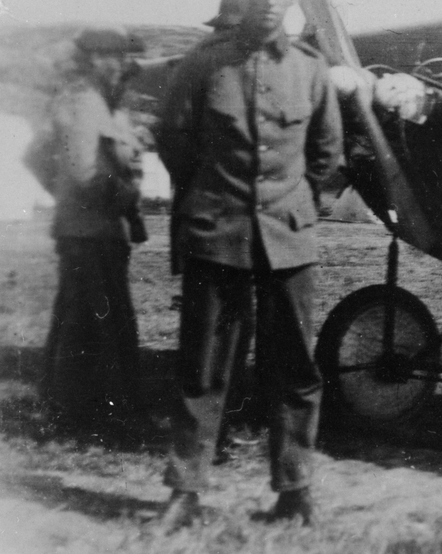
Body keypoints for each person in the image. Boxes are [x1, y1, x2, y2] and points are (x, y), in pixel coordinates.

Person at [154, 0, 342, 531]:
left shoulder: (310, 68)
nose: (269, 5)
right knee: (202, 367)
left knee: (295, 366)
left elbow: (326, 151)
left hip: (288, 235)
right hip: (219, 231)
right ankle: (185, 491)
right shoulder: (202, 64)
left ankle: (295, 490)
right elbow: (174, 141)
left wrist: (294, 204)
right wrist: (213, 198)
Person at [35, 26, 148, 423]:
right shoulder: (84, 102)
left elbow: (40, 156)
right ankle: (93, 409)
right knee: (95, 321)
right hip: (90, 230)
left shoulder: (97, 100)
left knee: (82, 318)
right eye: (111, 56)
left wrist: (63, 193)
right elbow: (85, 172)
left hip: (92, 229)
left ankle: (73, 406)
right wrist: (125, 196)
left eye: (121, 56)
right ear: (93, 60)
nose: (120, 65)